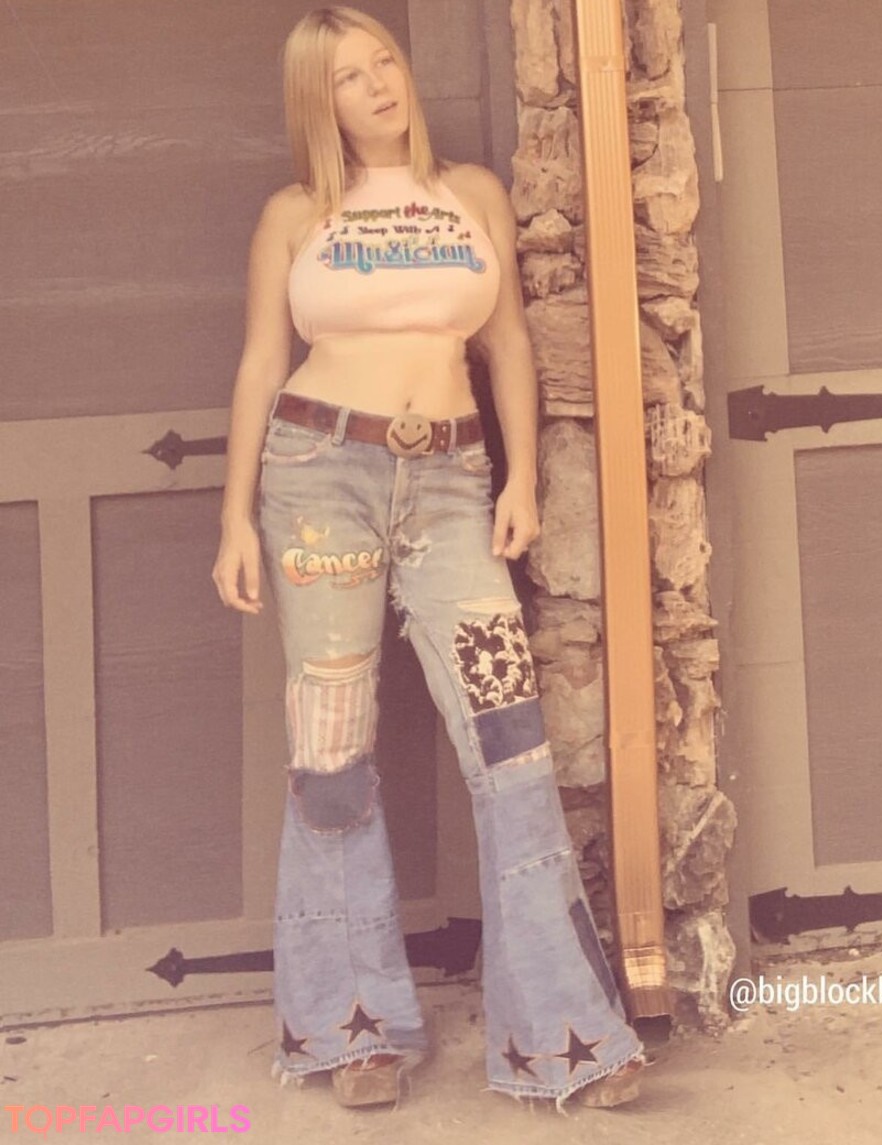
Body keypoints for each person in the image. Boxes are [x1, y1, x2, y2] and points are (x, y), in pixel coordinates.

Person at [211, 5, 645, 1111]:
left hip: (451, 480)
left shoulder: (473, 195)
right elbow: (261, 363)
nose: (379, 85)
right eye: (349, 77)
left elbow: (507, 342)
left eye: (385, 62)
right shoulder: (294, 215)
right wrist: (233, 519)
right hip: (319, 479)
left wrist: (522, 477)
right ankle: (353, 1028)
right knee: (331, 753)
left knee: (511, 741)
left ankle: (565, 1036)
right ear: (318, 101)